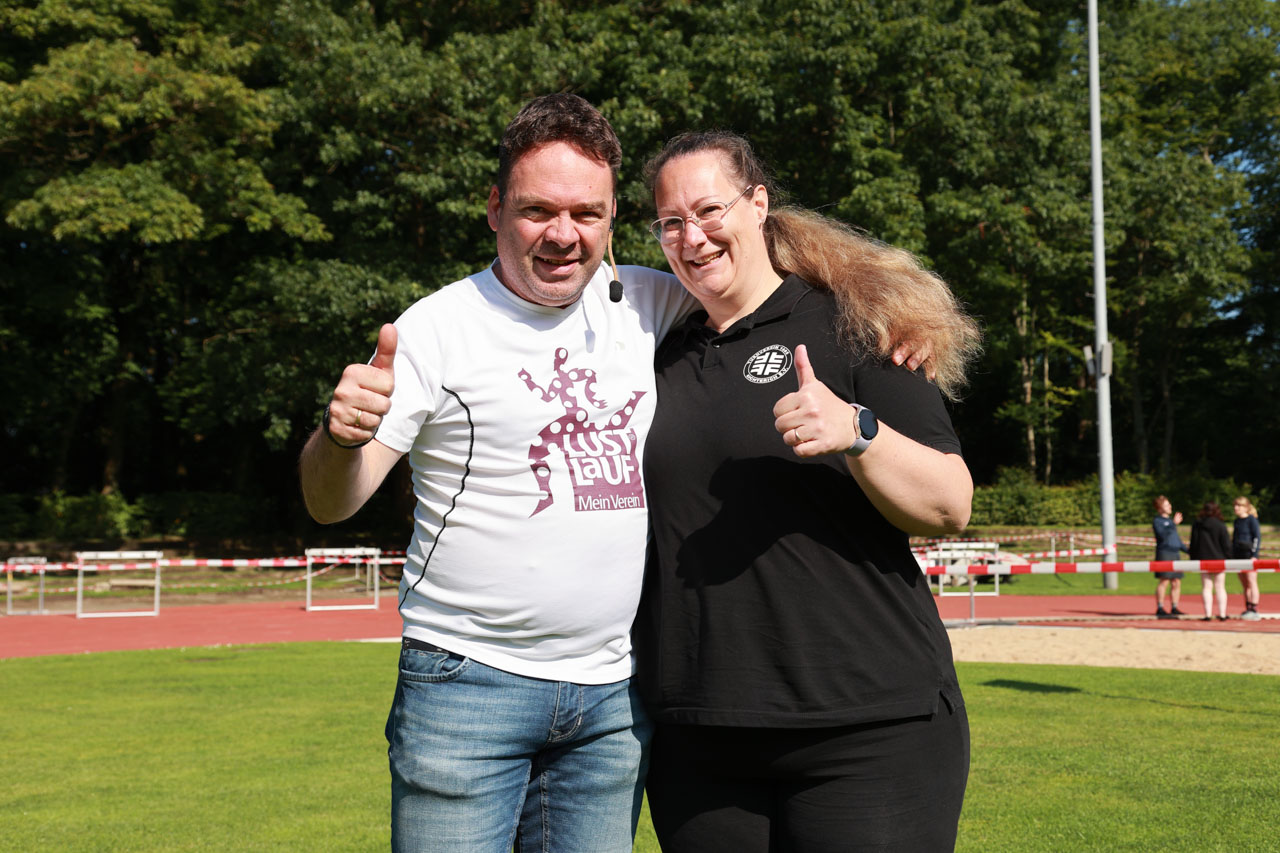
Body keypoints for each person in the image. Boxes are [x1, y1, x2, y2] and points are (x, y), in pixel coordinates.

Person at [299, 95, 938, 853]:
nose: (562, 234)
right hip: (469, 684)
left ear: (609, 221)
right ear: (496, 208)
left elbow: (756, 275)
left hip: (611, 700)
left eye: (587, 213)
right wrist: (340, 438)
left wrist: (896, 312)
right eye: (538, 210)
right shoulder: (435, 329)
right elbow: (332, 502)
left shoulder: (646, 300)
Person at [633, 131, 981, 853]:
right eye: (671, 222)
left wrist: (858, 431)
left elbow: (951, 503)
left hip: (869, 728)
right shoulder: (651, 349)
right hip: (699, 741)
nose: (692, 237)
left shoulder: (854, 322)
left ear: (758, 204)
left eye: (709, 210)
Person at [1189, 501, 1232, 622]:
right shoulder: (1220, 525)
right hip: (1219, 559)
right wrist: (1229, 557)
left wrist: (1193, 558)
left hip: (1203, 559)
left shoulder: (1197, 524)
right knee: (1220, 587)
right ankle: (1222, 614)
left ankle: (1207, 614)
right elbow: (1226, 544)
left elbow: (1194, 543)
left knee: (1206, 587)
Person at [1151, 494, 1189, 619]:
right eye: (1166, 505)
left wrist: (1189, 551)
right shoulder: (1158, 521)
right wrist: (1173, 524)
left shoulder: (1171, 522)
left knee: (1176, 582)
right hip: (1164, 553)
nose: (1170, 506)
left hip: (1175, 553)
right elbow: (1162, 535)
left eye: (1169, 504)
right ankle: (1160, 607)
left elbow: (1176, 540)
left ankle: (1174, 607)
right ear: (1160, 507)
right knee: (1165, 580)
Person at [1232, 496, 1262, 621]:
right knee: (1244, 583)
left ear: (1245, 507)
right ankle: (1248, 606)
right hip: (1238, 556)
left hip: (1249, 555)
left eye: (1239, 506)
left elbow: (1257, 537)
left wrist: (1254, 555)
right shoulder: (1236, 521)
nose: (1236, 508)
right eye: (1235, 505)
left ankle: (1254, 608)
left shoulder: (1251, 520)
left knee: (1251, 581)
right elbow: (1234, 539)